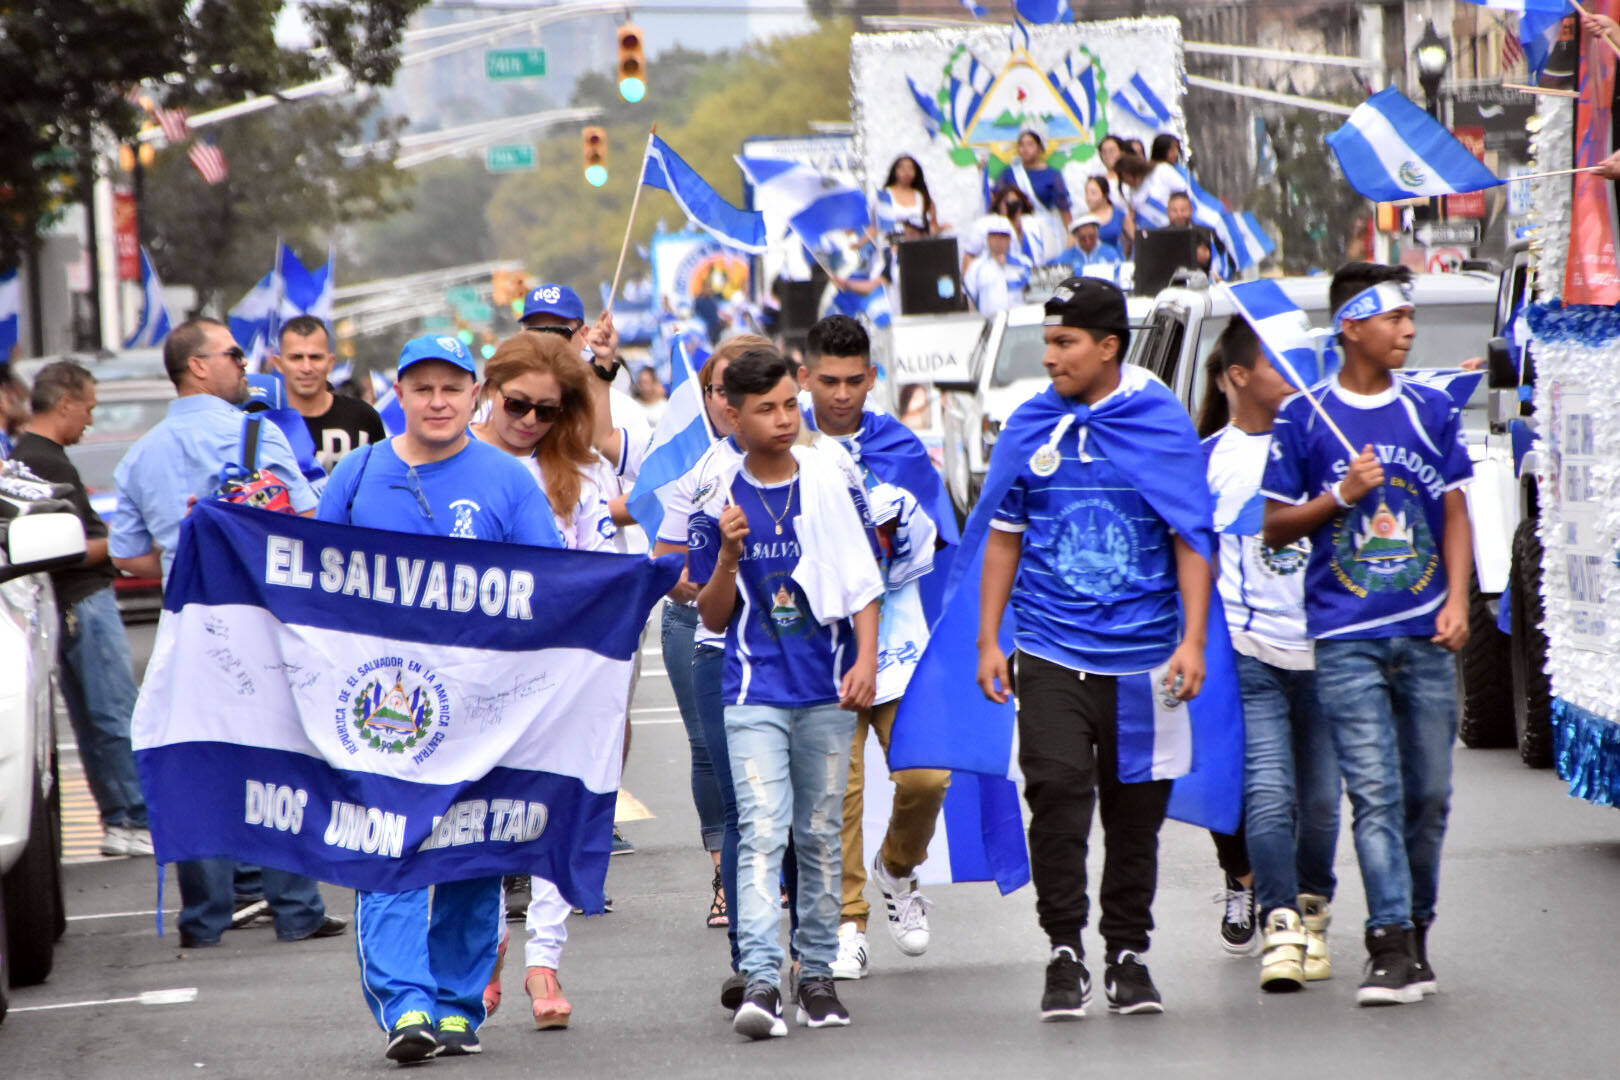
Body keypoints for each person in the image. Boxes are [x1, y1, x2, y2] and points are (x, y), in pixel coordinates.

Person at [319, 333, 565, 1062]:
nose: (437, 401)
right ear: (398, 394)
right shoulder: (356, 476)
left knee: (472, 851)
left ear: (475, 397)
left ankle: (458, 1007)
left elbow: (552, 584)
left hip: (481, 707)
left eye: (451, 388)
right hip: (380, 710)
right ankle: (408, 1007)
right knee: (389, 850)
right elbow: (309, 584)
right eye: (422, 387)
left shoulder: (509, 480)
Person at [976, 278, 1214, 1020]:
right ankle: (1064, 951)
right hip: (1049, 651)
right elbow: (1003, 538)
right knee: (1053, 797)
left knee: (1134, 813)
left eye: (1064, 343)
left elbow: (1191, 537)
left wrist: (1194, 640)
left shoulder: (1158, 423)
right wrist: (990, 638)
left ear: (1109, 348)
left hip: (1145, 661)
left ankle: (1128, 954)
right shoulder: (1030, 425)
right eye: (1047, 342)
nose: (1049, 357)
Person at [1261, 262, 1474, 1008]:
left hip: (1425, 633)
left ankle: (1415, 930)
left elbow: (1453, 509)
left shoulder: (1431, 408)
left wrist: (1459, 603)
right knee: (1374, 792)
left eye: (1411, 318)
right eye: (1394, 318)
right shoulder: (1304, 418)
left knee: (1430, 794)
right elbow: (1275, 523)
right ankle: (1386, 943)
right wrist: (1339, 497)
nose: (1409, 330)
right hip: (1344, 636)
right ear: (1352, 326)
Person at [109, 318, 341, 948]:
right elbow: (306, 516)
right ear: (198, 367)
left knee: (199, 758)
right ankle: (295, 909)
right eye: (234, 354)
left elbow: (133, 556)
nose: (246, 364)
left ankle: (204, 919)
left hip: (185, 623)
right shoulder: (254, 431)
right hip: (258, 621)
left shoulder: (140, 455)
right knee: (279, 755)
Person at [688, 345, 882, 1039]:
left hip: (827, 692)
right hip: (751, 692)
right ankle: (764, 980)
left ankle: (819, 974)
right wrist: (732, 556)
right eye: (763, 409)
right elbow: (711, 616)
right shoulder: (718, 499)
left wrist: (866, 660)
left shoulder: (829, 478)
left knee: (820, 835)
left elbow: (864, 581)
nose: (781, 419)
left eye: (786, 405)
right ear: (731, 416)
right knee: (763, 831)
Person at [797, 315, 952, 982]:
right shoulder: (787, 440)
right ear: (805, 377)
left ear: (872, 378)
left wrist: (904, 529)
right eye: (827, 381)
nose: (840, 394)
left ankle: (899, 871)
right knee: (840, 794)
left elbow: (942, 539)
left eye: (853, 381)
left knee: (926, 775)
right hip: (820, 648)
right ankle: (848, 922)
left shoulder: (901, 446)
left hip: (900, 641)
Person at [469, 330, 615, 1030]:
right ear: (489, 392)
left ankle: (544, 962)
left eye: (548, 411)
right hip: (472, 675)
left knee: (555, 812)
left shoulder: (583, 476)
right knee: (481, 817)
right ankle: (488, 948)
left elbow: (607, 568)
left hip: (563, 673)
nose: (529, 422)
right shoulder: (449, 464)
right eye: (517, 405)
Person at [1198, 320, 1340, 991]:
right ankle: (1279, 919)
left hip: (1326, 650)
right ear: (1236, 377)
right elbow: (1187, 563)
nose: (1296, 375)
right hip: (1248, 652)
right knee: (1268, 790)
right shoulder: (1205, 462)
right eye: (1279, 364)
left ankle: (1313, 911)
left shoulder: (1321, 446)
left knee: (1319, 801)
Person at [648, 335, 768, 995]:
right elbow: (673, 569)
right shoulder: (693, 471)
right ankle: (732, 891)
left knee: (782, 794)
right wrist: (716, 577)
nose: (730, 401)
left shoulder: (812, 463)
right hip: (702, 629)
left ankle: (811, 932)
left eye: (743, 388)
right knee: (710, 758)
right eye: (720, 390)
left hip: (781, 646)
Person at [11, 361, 150, 857]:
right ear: (65, 402)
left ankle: (119, 817)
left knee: (94, 718)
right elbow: (71, 546)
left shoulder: (28, 457)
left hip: (63, 602)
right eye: (88, 408)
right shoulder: (45, 460)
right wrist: (124, 544)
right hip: (83, 599)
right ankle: (133, 814)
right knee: (113, 714)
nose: (89, 421)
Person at [270, 314, 386, 473]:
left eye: (315, 357)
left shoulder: (364, 418)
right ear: (279, 364)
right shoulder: (266, 424)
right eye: (296, 358)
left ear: (331, 362)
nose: (306, 367)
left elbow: (381, 483)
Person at [963, 216, 1031, 316]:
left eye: (1003, 236)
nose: (999, 240)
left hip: (1018, 323)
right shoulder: (976, 267)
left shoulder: (1025, 263)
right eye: (994, 236)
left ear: (1009, 239)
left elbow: (1033, 294)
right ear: (988, 239)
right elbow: (969, 300)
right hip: (989, 323)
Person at [875, 154, 940, 237]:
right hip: (893, 243)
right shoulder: (886, 194)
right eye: (902, 168)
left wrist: (940, 228)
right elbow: (879, 226)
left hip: (916, 244)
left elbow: (932, 227)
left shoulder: (921, 196)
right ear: (895, 171)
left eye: (910, 168)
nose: (907, 172)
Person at [1082, 176, 1130, 255]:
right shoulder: (1083, 221)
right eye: (1087, 193)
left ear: (1105, 194)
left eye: (1093, 193)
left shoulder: (1119, 215)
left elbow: (1134, 238)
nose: (1089, 198)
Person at [1058, 216, 1123, 272]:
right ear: (1076, 237)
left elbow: (1118, 275)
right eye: (1083, 238)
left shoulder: (1110, 253)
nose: (1088, 241)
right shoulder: (1066, 257)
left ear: (1097, 234)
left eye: (1091, 237)